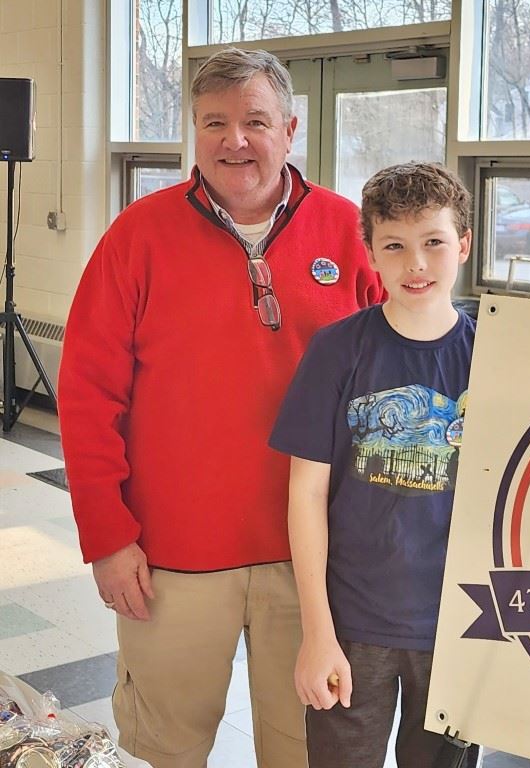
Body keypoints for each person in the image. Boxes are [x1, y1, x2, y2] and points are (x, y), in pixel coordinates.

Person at [57, 47, 384, 768]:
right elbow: (86, 396)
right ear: (194, 132)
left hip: (315, 560)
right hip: (171, 558)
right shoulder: (137, 236)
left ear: (289, 130)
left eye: (255, 122)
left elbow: (399, 378)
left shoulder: (348, 232)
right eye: (215, 123)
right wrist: (107, 535)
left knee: (307, 748)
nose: (235, 140)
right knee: (164, 748)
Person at [269, 162, 476, 768]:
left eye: (434, 243)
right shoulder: (337, 350)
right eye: (395, 246)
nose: (416, 264)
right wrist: (317, 633)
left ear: (463, 244)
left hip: (458, 625)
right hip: (354, 623)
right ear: (370, 253)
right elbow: (305, 495)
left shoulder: (494, 355)